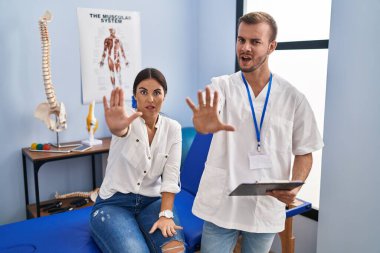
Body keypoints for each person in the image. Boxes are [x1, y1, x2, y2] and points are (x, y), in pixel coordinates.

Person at [186, 12, 323, 253]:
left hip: (265, 206)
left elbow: (305, 152)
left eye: (255, 42)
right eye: (241, 40)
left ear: (272, 47)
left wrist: (294, 188)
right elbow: (205, 120)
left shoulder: (293, 98)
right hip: (222, 203)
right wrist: (203, 125)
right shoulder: (222, 86)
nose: (245, 48)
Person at [90, 68, 186, 253]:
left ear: (164, 96)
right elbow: (121, 130)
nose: (150, 99)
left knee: (174, 249)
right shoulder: (126, 119)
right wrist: (117, 129)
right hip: (114, 204)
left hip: (152, 202)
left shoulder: (173, 129)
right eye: (143, 92)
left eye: (157, 92)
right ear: (135, 95)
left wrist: (166, 214)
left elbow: (171, 177)